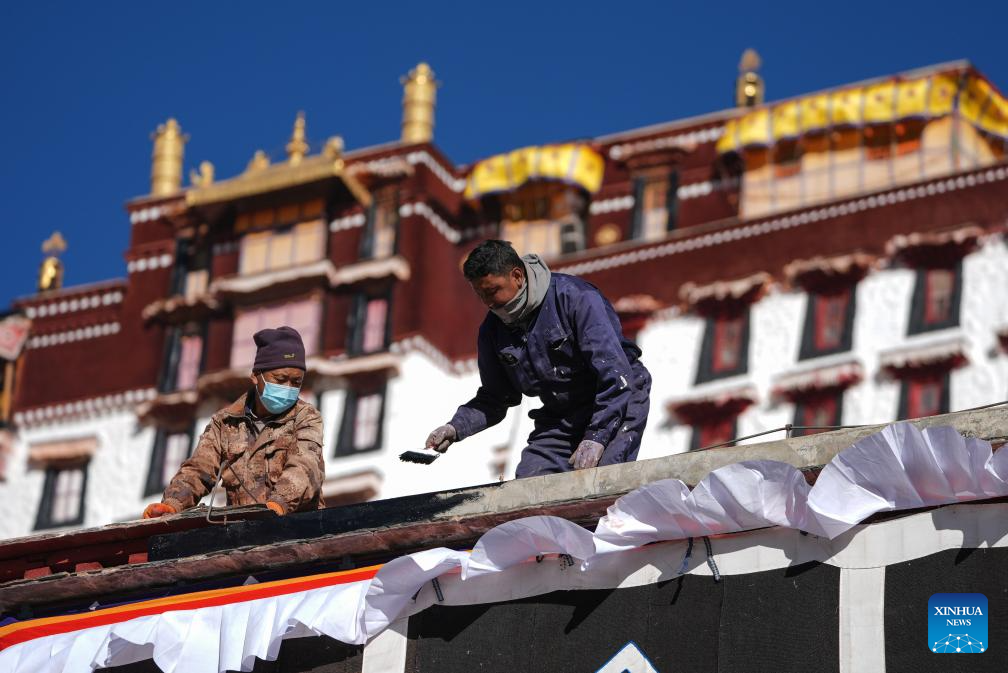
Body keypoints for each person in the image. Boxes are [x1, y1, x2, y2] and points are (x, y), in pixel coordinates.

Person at [425, 240, 651, 477]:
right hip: (560, 416)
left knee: (597, 486)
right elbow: (496, 397)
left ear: (517, 276)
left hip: (617, 399)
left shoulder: (576, 298)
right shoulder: (492, 331)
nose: (488, 303)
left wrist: (596, 437)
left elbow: (616, 376)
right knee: (529, 487)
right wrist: (454, 427)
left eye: (492, 291)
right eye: (481, 295)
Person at [143, 326, 325, 518]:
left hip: (297, 533)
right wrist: (172, 505)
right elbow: (198, 470)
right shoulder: (224, 424)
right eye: (280, 379)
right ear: (256, 376)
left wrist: (278, 505)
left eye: (296, 382)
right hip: (242, 536)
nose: (288, 388)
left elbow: (305, 467)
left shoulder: (307, 418)